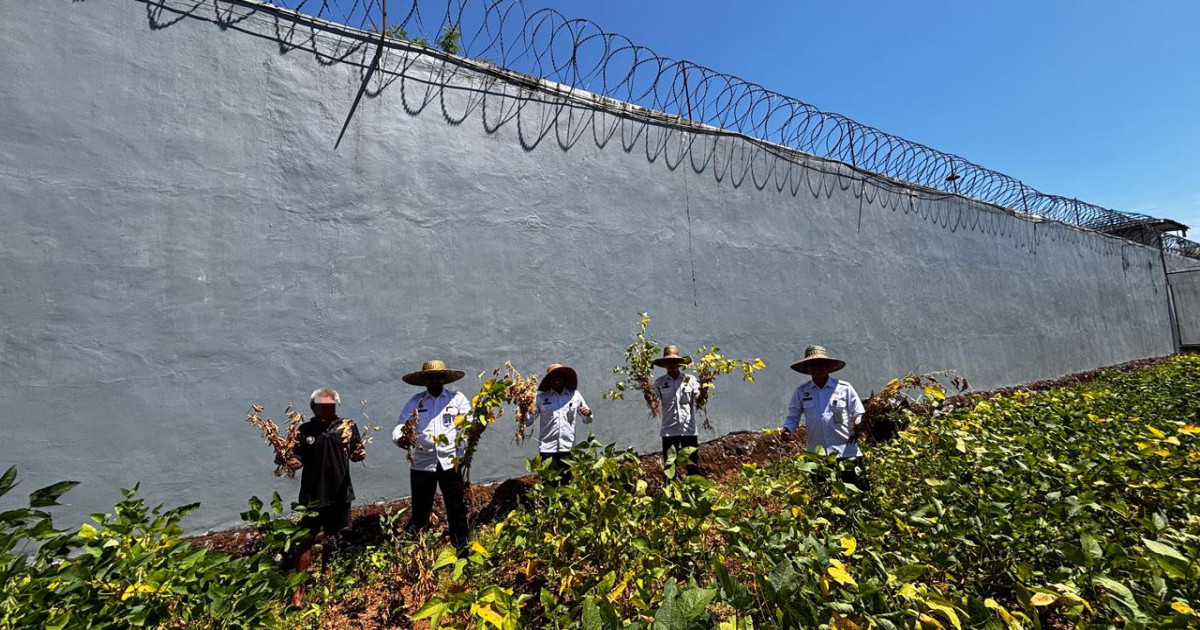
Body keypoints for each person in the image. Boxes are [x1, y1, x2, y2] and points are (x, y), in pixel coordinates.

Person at [284, 387, 365, 606]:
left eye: (331, 406)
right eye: (322, 406)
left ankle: (327, 580)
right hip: (312, 495)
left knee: (332, 537)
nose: (327, 410)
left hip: (340, 492)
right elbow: (296, 458)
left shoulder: (347, 427)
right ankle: (298, 590)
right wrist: (292, 462)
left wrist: (359, 454)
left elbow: (357, 453)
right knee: (305, 541)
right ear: (314, 407)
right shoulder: (304, 430)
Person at [393, 360, 472, 552]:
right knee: (421, 509)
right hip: (422, 463)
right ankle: (422, 552)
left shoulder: (457, 399)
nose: (435, 380)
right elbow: (399, 427)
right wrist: (400, 439)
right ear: (424, 380)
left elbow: (470, 424)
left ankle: (462, 549)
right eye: (430, 377)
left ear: (444, 379)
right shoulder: (415, 402)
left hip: (451, 461)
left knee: (456, 507)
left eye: (438, 376)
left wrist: (467, 442)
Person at [783, 346, 869, 492]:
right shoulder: (802, 391)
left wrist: (859, 425)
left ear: (828, 367)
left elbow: (859, 412)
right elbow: (793, 415)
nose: (818, 368)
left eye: (821, 364)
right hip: (818, 456)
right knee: (823, 497)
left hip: (847, 453)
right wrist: (788, 429)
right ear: (807, 368)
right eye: (813, 365)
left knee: (859, 493)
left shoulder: (844, 388)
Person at [530, 363, 593, 484]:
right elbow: (528, 421)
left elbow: (587, 420)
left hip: (568, 448)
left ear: (564, 378)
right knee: (549, 484)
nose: (556, 379)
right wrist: (523, 410)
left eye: (559, 376)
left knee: (567, 484)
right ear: (549, 380)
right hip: (547, 449)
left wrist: (588, 413)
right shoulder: (541, 398)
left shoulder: (575, 396)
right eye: (553, 377)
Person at [653, 345, 702, 476]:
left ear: (679, 363)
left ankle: (695, 493)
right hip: (669, 430)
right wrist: (648, 397)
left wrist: (705, 391)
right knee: (670, 466)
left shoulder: (690, 380)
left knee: (692, 464)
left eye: (674, 361)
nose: (671, 364)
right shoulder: (659, 382)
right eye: (668, 362)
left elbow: (699, 399)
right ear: (664, 364)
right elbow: (654, 401)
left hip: (688, 430)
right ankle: (671, 494)